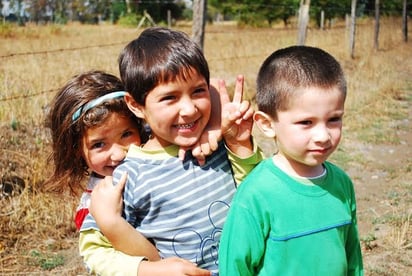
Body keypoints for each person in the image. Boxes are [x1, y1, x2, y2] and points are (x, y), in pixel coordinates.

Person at [81, 27, 263, 275]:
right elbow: (94, 251)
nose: (188, 109)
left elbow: (255, 197)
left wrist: (239, 144)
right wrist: (149, 271)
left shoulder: (217, 145)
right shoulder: (127, 176)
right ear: (136, 106)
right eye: (170, 98)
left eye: (197, 91)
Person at [44, 70, 215, 275]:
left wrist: (213, 127)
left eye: (126, 134)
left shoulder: (156, 151)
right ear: (76, 150)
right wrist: (148, 270)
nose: (118, 154)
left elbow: (211, 89)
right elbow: (96, 257)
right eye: (99, 144)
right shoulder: (96, 201)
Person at [219, 46, 364, 275]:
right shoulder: (257, 194)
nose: (323, 136)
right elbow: (235, 266)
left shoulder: (342, 184)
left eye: (334, 119)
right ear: (267, 124)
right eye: (306, 122)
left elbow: (352, 256)